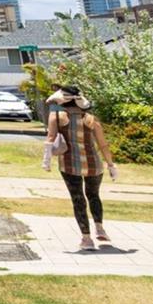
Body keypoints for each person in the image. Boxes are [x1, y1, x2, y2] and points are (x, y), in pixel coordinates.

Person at [42, 84, 117, 250]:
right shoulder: (91, 118)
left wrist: (46, 162)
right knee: (94, 195)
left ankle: (86, 239)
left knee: (78, 199)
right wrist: (111, 165)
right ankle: (99, 227)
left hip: (69, 163)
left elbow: (50, 139)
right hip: (93, 164)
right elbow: (103, 145)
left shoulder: (56, 116)